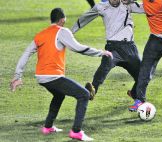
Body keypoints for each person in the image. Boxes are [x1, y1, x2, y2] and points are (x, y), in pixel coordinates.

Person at [10, 8, 112, 141]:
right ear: (62, 20)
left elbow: (25, 54)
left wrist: (17, 77)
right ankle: (76, 131)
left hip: (41, 77)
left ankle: (48, 127)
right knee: (84, 94)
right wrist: (100, 52)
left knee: (59, 95)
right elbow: (78, 48)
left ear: (51, 20)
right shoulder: (62, 31)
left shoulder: (41, 34)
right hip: (53, 77)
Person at [71, 0, 144, 99]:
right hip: (112, 47)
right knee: (105, 65)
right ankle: (92, 90)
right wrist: (71, 32)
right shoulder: (101, 7)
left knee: (142, 76)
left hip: (129, 48)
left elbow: (148, 7)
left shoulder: (127, 5)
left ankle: (135, 93)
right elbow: (85, 18)